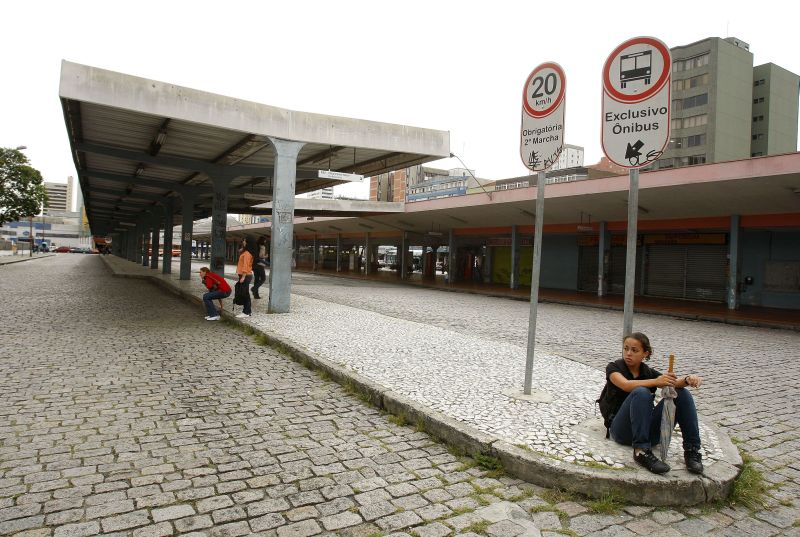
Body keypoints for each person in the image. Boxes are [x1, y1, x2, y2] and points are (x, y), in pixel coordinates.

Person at [598, 332, 704, 475]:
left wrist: (687, 379)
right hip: (621, 430)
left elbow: (671, 382)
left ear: (645, 354)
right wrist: (656, 382)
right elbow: (625, 385)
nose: (628, 353)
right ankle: (640, 452)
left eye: (634, 350)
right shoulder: (614, 367)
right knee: (641, 392)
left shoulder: (648, 372)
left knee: (681, 393)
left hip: (649, 433)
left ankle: (692, 450)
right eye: (626, 348)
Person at [235, 238, 254, 318]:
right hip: (245, 275)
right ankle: (247, 311)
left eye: (245, 241)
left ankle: (246, 312)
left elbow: (245, 265)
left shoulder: (247, 254)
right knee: (245, 293)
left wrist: (243, 277)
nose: (243, 242)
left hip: (245, 276)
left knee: (245, 294)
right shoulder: (246, 252)